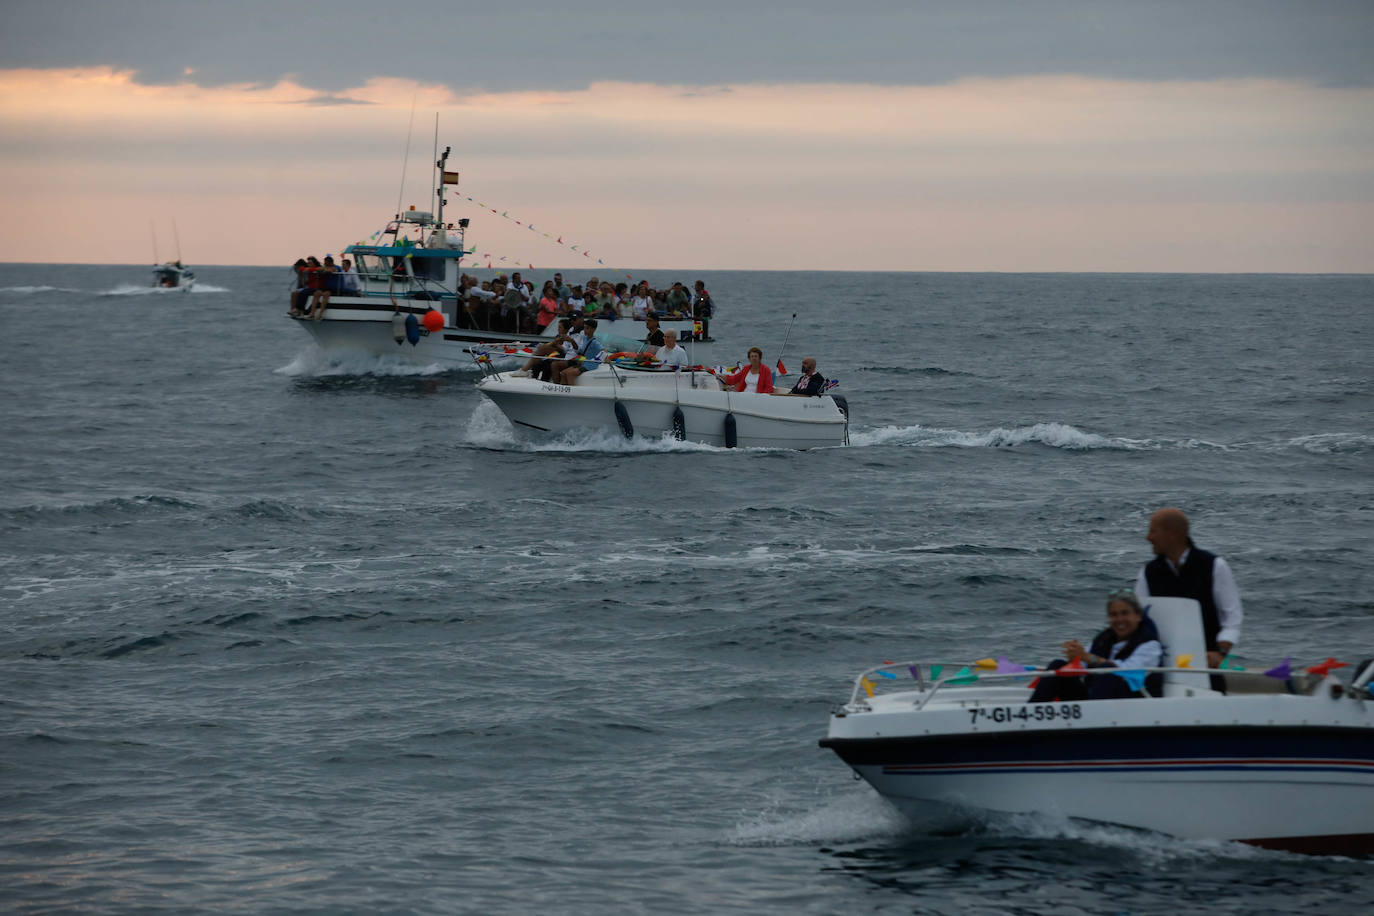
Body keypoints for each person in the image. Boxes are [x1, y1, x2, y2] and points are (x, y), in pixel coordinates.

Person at [1134, 507, 1243, 669]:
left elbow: (1232, 617)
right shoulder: (1148, 572)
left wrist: (1220, 652)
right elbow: (1139, 617)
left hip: (1206, 663)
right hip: (1163, 664)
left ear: (1172, 534)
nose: (1148, 538)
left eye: (1153, 531)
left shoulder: (1214, 566)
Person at [1028, 592, 1163, 702]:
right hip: (1094, 700)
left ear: (1138, 616)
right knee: (1057, 666)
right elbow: (1082, 665)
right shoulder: (1103, 640)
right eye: (1114, 615)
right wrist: (1074, 656)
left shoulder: (1150, 645)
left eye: (1125, 613)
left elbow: (1127, 671)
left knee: (1107, 670)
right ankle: (1029, 716)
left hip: (1130, 704)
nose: (1120, 619)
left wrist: (1087, 657)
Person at [555, 319, 604, 385]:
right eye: (584, 328)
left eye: (587, 328)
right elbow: (580, 350)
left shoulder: (595, 342)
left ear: (593, 329)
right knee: (563, 373)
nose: (585, 330)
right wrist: (572, 341)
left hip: (590, 365)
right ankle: (564, 391)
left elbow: (604, 351)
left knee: (569, 374)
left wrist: (604, 359)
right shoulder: (584, 338)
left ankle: (572, 392)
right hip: (582, 363)